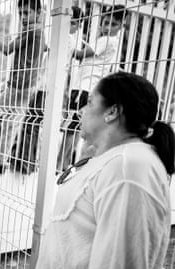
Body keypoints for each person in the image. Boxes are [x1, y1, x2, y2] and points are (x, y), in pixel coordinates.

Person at [31, 72, 175, 269]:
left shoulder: (128, 168)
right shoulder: (114, 159)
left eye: (89, 102)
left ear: (112, 111)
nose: (82, 111)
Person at [61, 5, 125, 169]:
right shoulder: (112, 42)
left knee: (71, 126)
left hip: (83, 88)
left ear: (121, 26)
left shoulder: (106, 40)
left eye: (113, 24)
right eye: (105, 22)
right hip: (89, 89)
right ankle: (67, 161)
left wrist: (67, 43)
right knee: (76, 126)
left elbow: (81, 54)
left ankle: (61, 162)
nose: (107, 27)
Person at [0, 0, 46, 173]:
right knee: (11, 122)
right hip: (29, 85)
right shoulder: (41, 33)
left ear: (38, 13)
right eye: (21, 13)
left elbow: (7, 50)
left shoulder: (30, 30)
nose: (23, 17)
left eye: (27, 13)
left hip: (17, 85)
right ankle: (2, 160)